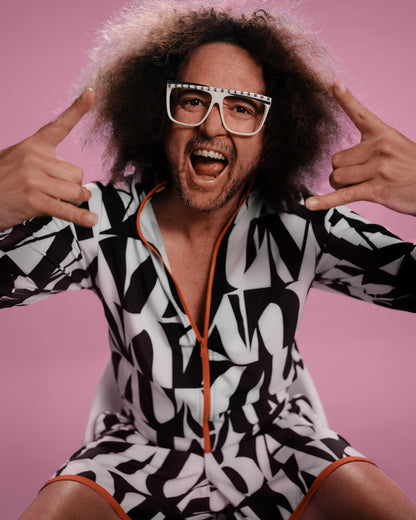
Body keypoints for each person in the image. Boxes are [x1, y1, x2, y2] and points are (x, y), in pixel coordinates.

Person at [1, 3, 416, 519]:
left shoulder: (303, 222)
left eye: (242, 108)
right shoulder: (97, 220)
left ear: (270, 133)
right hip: (135, 455)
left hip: (279, 447)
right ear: (159, 117)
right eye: (193, 100)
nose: (212, 126)